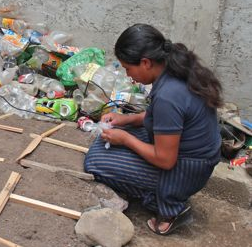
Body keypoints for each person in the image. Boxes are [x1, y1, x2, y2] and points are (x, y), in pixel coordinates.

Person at [85, 24, 223, 235]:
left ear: (146, 63)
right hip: (190, 153)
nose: (128, 75)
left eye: (127, 68)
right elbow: (161, 120)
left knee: (95, 160)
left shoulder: (169, 95)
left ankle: (169, 206)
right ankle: (160, 190)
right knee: (105, 142)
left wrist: (125, 139)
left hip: (185, 169)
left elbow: (166, 160)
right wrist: (125, 119)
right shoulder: (173, 69)